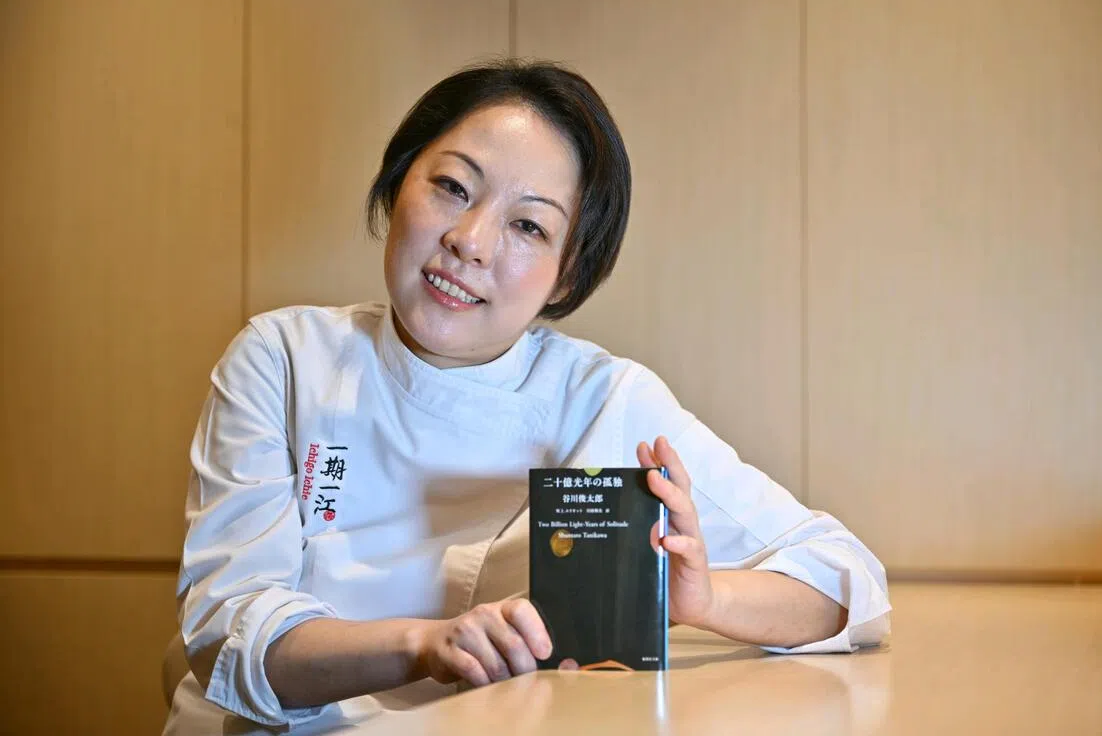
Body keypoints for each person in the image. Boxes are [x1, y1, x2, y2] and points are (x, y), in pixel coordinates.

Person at [163, 59, 890, 735]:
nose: (470, 241)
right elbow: (231, 631)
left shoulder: (604, 400)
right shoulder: (284, 359)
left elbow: (845, 577)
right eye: (452, 186)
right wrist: (426, 645)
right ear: (396, 182)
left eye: (528, 226)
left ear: (568, 277)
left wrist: (703, 602)